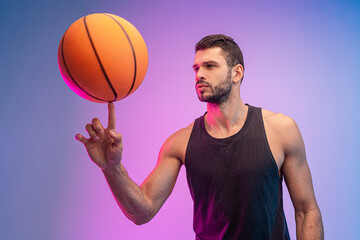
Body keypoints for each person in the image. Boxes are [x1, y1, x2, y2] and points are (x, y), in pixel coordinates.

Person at [75, 34, 324, 239]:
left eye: (210, 66)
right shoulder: (180, 143)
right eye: (196, 68)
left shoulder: (280, 129)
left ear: (237, 73)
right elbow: (142, 211)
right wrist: (112, 168)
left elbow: (307, 210)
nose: (199, 75)